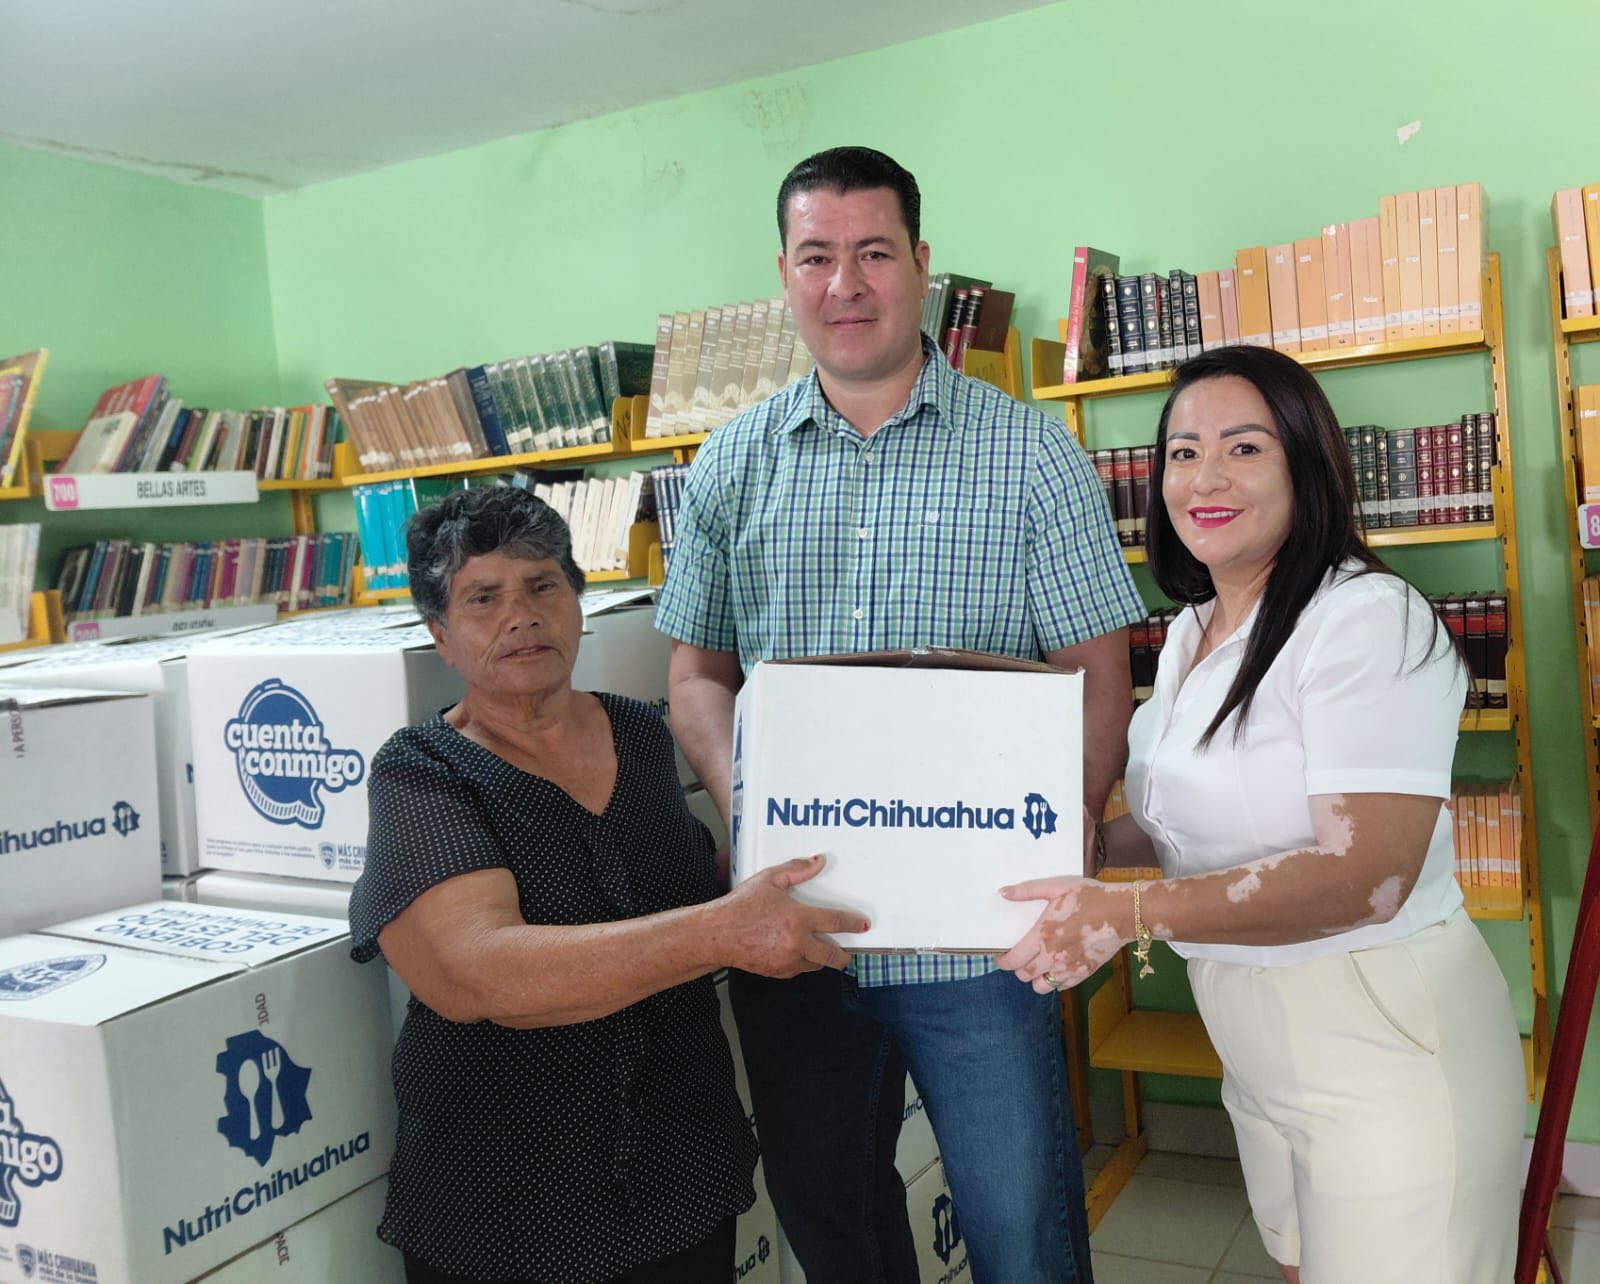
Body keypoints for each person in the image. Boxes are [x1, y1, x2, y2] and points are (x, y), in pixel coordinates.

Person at [656, 145, 1145, 1283]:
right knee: (838, 1234)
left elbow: (1096, 669)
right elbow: (697, 676)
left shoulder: (1032, 452)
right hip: (795, 938)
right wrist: (755, 809)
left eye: (873, 253)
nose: (845, 284)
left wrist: (1064, 821)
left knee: (1022, 1236)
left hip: (982, 944)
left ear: (921, 265)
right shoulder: (729, 463)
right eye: (816, 257)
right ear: (784, 274)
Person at [998, 344, 1525, 1282]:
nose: (1206, 478)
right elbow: (1187, 822)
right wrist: (1079, 849)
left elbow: (1367, 876)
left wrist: (1125, 913)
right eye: (1183, 452)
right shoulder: (1193, 629)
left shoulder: (1367, 618)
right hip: (1250, 1039)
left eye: (1244, 448)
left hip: (1380, 1037)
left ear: (1305, 464)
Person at [347, 485, 868, 1284]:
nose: (521, 616)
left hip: (681, 1178)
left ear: (577, 604)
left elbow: (680, 881)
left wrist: (801, 866)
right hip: (507, 1206)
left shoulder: (640, 732)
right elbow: (475, 972)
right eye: (483, 598)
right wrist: (722, 930)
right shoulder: (423, 771)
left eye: (543, 585)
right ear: (440, 636)